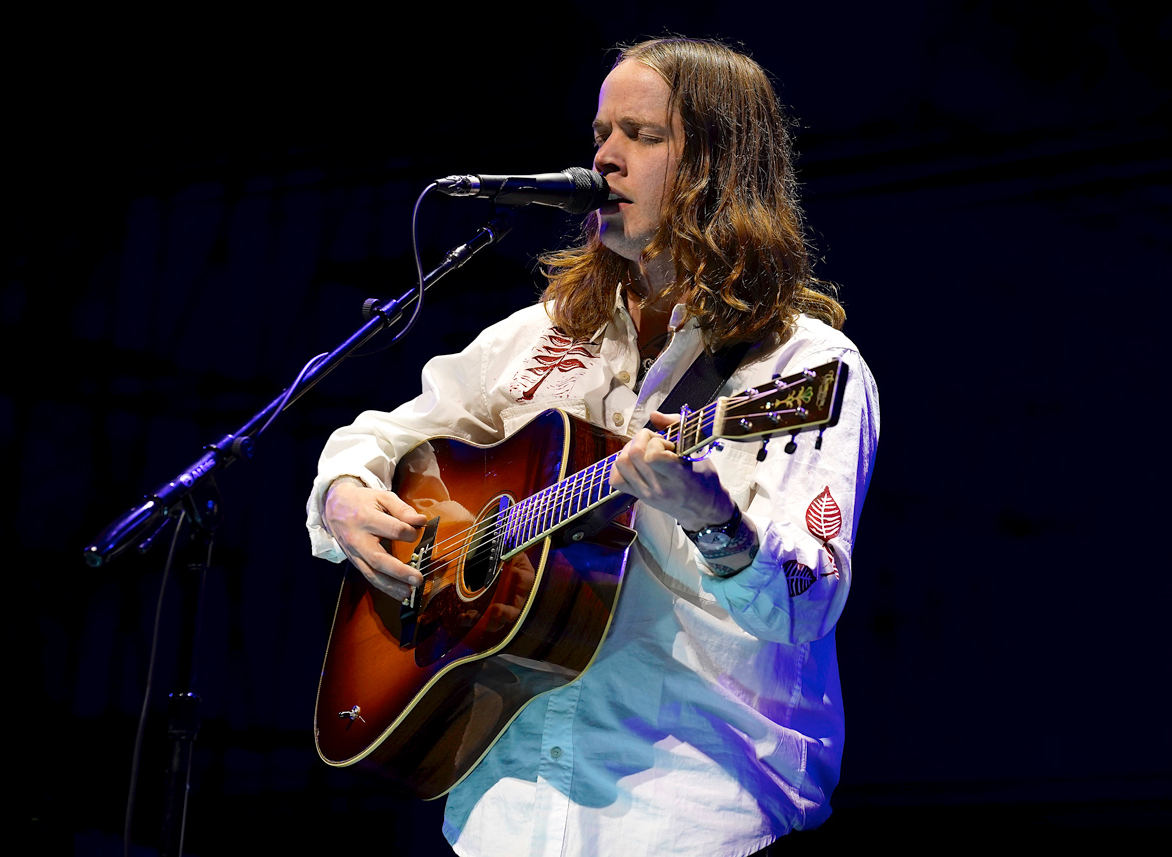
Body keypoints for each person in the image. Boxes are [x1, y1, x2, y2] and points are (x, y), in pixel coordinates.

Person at [307, 38, 879, 857]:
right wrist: (343, 490)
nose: (604, 156)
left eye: (641, 135)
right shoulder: (543, 335)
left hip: (688, 806)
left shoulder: (801, 368)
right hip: (499, 810)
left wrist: (712, 520)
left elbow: (809, 599)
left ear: (718, 164)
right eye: (602, 132)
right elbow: (383, 434)